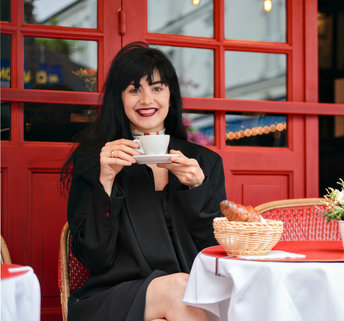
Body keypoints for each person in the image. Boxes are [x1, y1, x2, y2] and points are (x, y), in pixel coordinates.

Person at [60, 41, 227, 321]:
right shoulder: (95, 159)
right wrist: (107, 180)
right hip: (114, 296)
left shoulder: (204, 162)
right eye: (134, 89)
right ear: (119, 98)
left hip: (191, 295)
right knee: (182, 288)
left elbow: (213, 253)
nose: (147, 99)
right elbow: (93, 256)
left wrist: (198, 190)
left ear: (171, 96)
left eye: (157, 88)